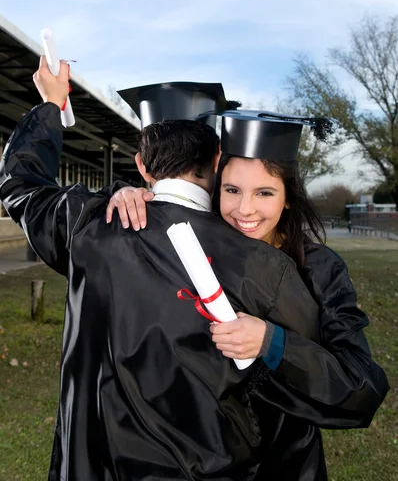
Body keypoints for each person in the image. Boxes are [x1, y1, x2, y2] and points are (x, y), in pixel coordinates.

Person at [0, 60, 322, 481]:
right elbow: (296, 396)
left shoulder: (86, 226)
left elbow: (21, 183)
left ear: (142, 165)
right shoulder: (263, 264)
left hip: (93, 467)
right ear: (218, 157)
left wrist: (52, 103)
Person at [107, 108, 389, 480]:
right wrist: (133, 194)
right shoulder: (194, 248)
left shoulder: (320, 269)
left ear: (288, 197)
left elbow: (361, 390)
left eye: (265, 192)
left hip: (284, 462)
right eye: (232, 190)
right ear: (214, 188)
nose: (245, 209)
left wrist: (272, 343)